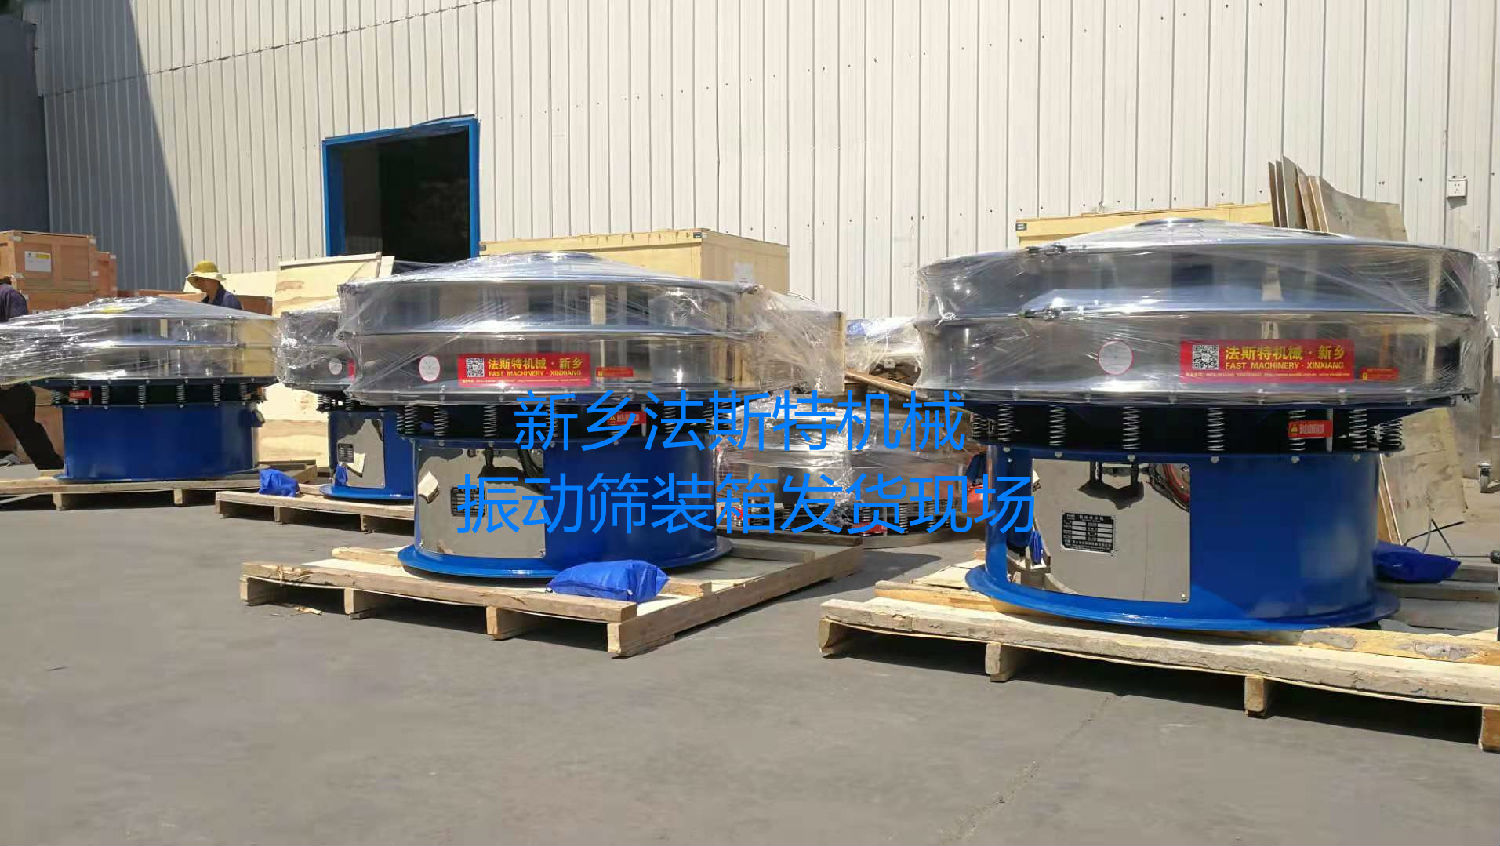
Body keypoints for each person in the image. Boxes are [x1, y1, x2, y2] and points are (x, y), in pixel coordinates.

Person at [0, 274, 63, 469]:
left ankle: (51, 467)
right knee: (25, 424)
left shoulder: (8, 295)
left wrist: (13, 372)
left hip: (7, 377)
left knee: (25, 425)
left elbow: (20, 334)